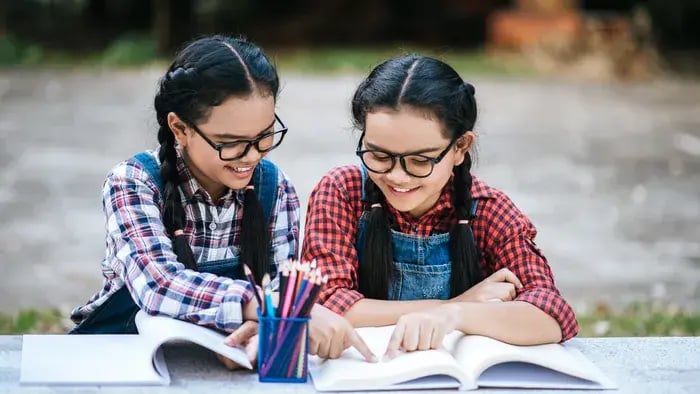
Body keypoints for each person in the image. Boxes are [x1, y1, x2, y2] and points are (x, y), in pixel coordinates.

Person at [301, 54, 579, 359]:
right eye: (379, 156)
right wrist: (461, 303)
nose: (396, 176)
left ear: (460, 147)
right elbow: (324, 303)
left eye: (420, 161)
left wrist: (455, 316)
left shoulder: (489, 210)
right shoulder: (343, 192)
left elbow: (552, 315)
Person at [69, 35, 299, 366]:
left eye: (264, 137)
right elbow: (159, 284)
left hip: (228, 362)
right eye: (230, 142)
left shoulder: (275, 189)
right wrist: (264, 308)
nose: (251, 156)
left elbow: (284, 287)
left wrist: (261, 331)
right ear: (179, 128)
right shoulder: (134, 183)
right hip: (122, 361)